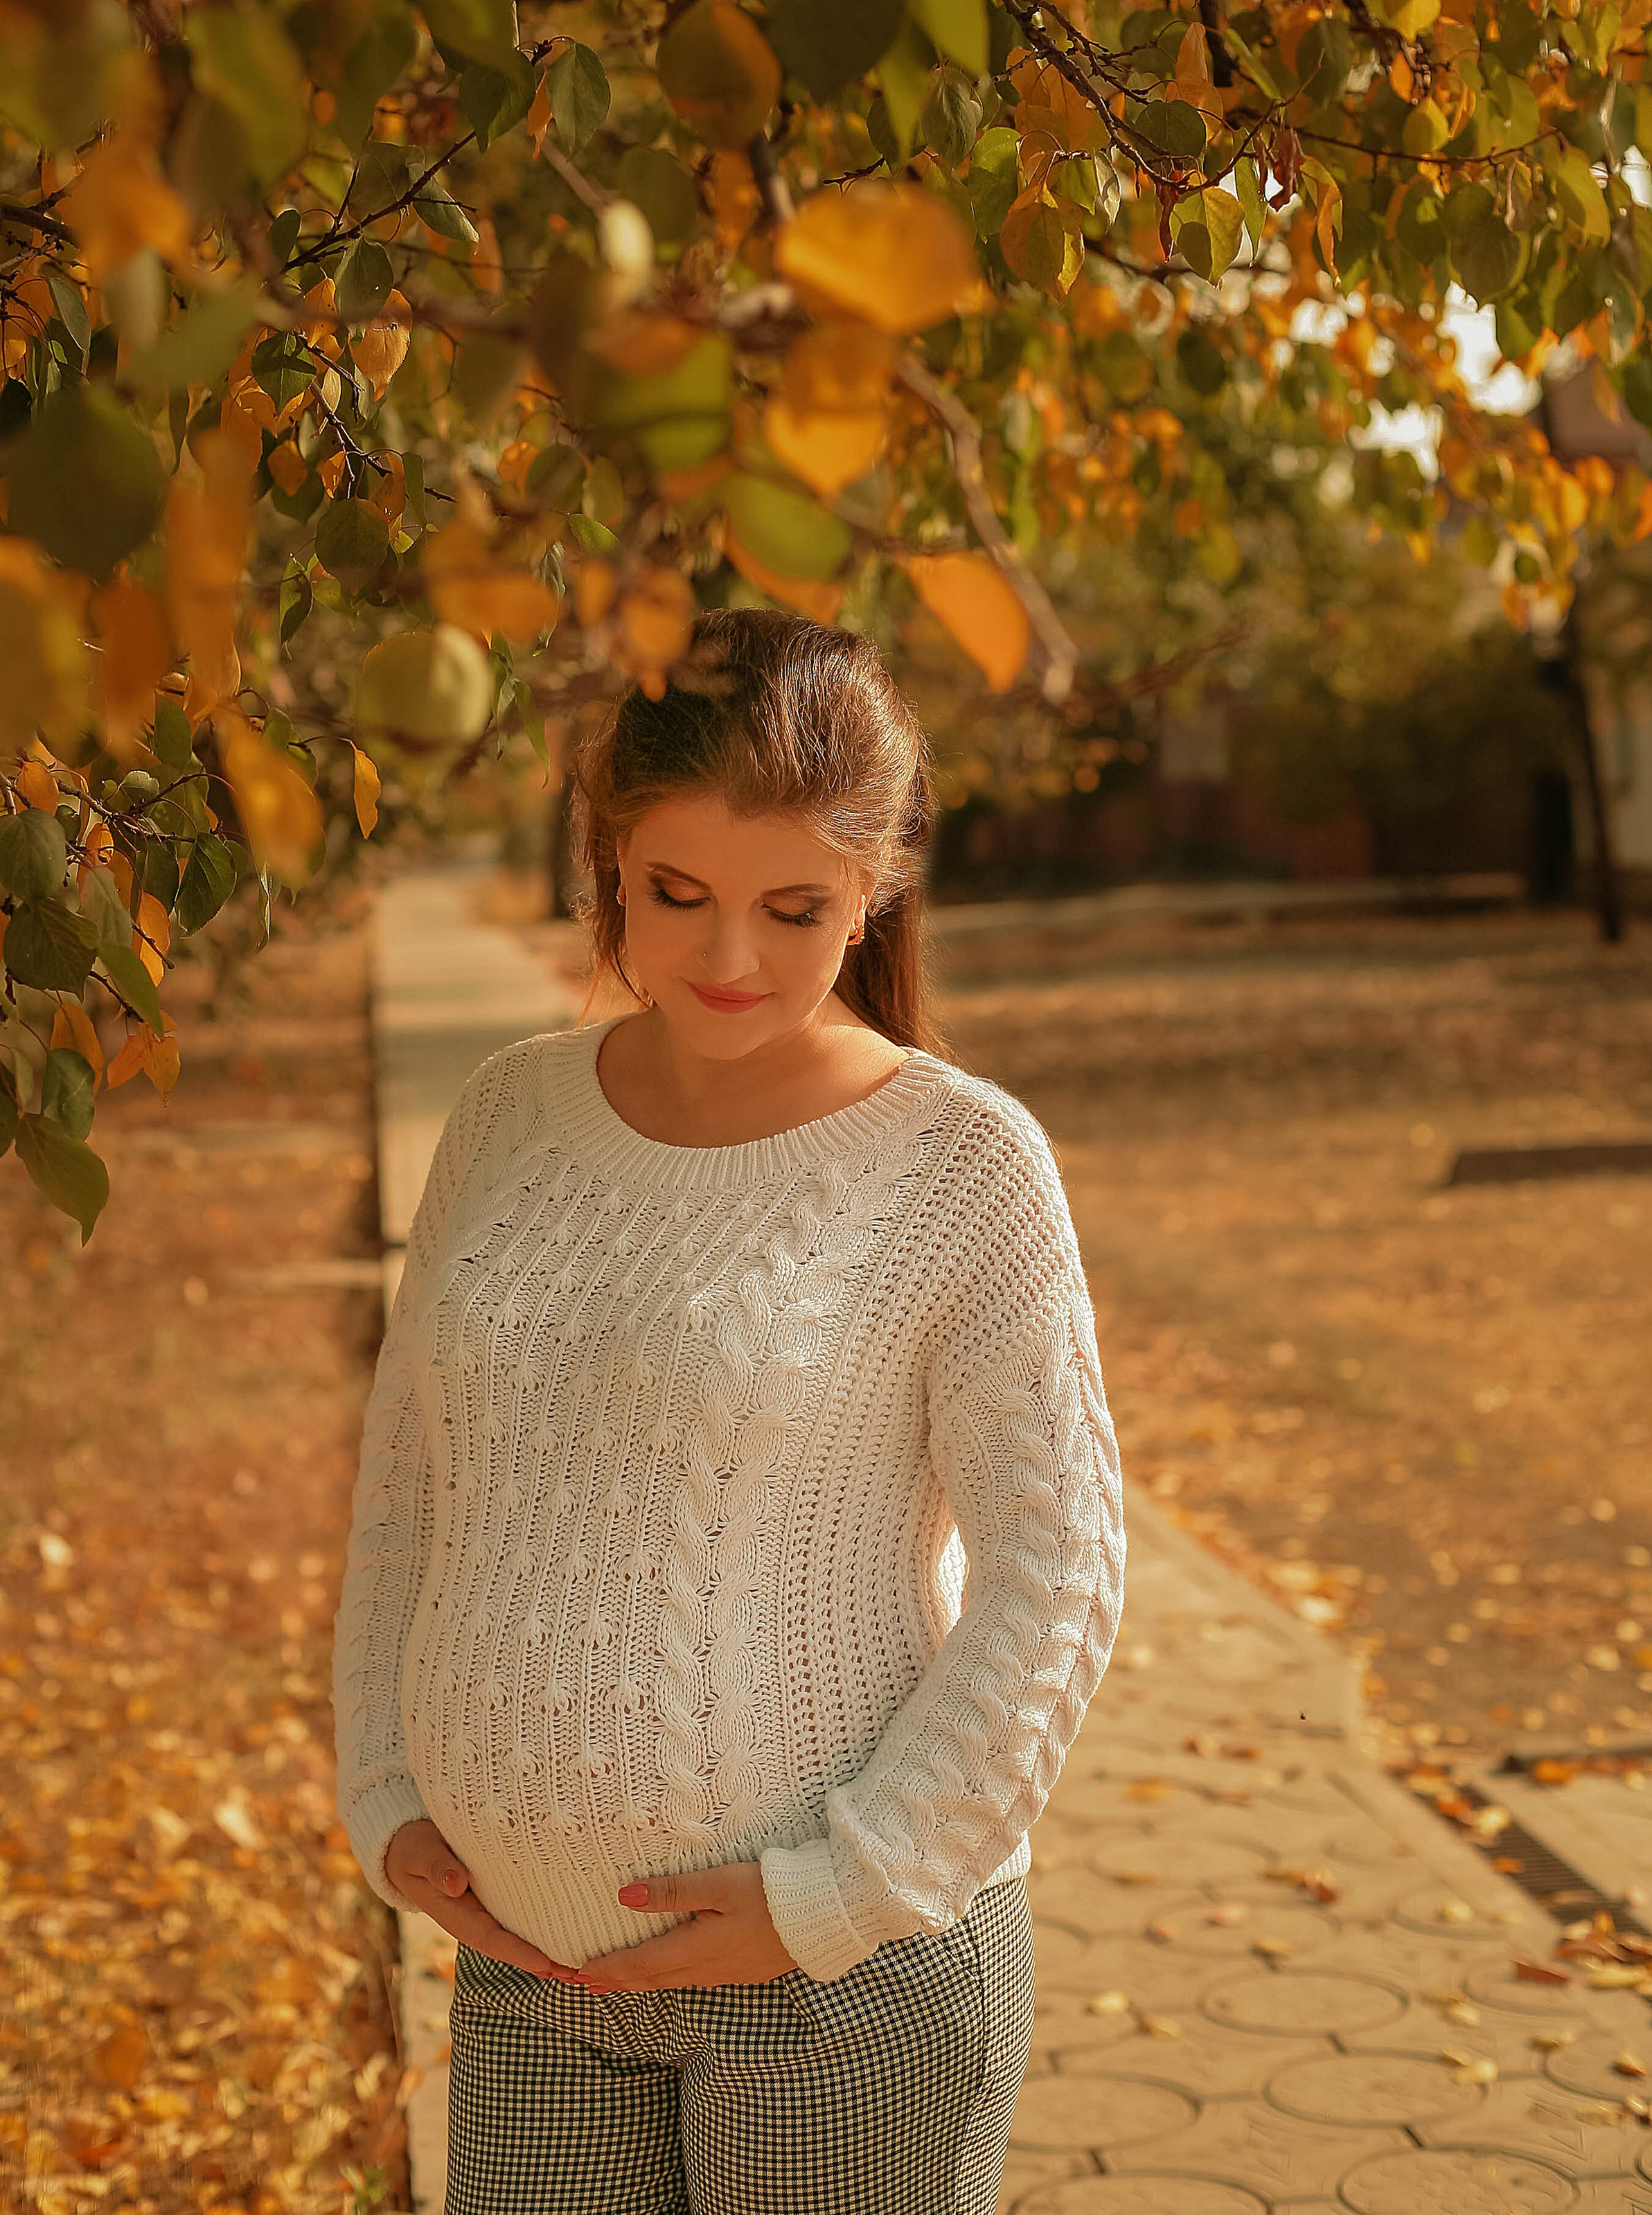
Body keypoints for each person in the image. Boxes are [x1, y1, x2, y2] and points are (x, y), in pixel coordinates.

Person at [332, 607, 1126, 2215]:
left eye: (794, 909)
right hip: (527, 1971)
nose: (725, 961)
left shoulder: (961, 1167)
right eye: (676, 892)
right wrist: (383, 1797)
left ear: (874, 891)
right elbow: (408, 1491)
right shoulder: (503, 1115)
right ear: (608, 852)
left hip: (843, 1991)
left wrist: (846, 1890)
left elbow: (1058, 1580)